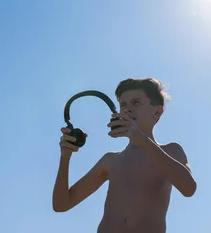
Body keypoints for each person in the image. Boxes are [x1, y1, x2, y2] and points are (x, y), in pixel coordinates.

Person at [52, 77, 197, 233]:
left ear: (157, 112)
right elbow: (62, 205)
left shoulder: (171, 151)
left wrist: (142, 140)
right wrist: (65, 157)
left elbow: (188, 188)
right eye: (123, 105)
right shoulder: (110, 160)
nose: (127, 109)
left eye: (136, 103)